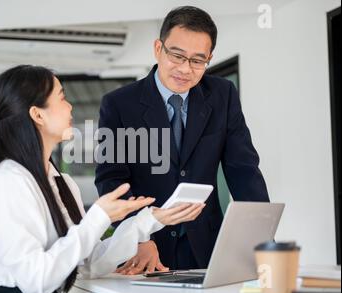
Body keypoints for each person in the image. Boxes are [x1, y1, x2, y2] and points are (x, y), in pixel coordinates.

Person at [0, 65, 205, 293]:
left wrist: (148, 221)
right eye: (62, 97)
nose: (70, 106)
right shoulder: (9, 183)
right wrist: (99, 217)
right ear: (38, 114)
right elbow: (35, 281)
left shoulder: (62, 182)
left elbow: (86, 265)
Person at [95, 6, 269, 275]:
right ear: (158, 49)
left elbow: (243, 170)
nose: (185, 69)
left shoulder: (222, 95)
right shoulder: (119, 104)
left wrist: (258, 238)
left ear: (209, 58)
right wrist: (139, 237)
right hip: (146, 250)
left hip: (206, 245)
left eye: (198, 60)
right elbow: (112, 179)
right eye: (177, 56)